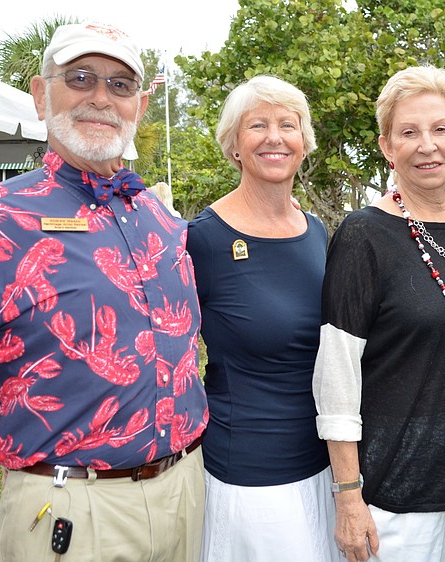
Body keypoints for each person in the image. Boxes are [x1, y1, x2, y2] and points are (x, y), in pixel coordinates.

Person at [0, 22, 207, 562]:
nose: (101, 97)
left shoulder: (160, 219)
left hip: (185, 495)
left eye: (121, 85)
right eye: (80, 78)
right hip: (69, 511)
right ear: (41, 93)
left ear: (140, 106)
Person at [312, 65, 445, 562]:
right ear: (386, 147)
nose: (427, 145)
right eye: (409, 132)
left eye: (441, 129)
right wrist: (349, 495)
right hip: (389, 497)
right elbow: (336, 375)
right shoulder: (363, 235)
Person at [187, 75, 338, 561]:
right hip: (252, 475)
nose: (275, 137)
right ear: (234, 145)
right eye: (258, 125)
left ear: (303, 142)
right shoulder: (203, 239)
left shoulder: (315, 231)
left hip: (326, 464)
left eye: (287, 125)